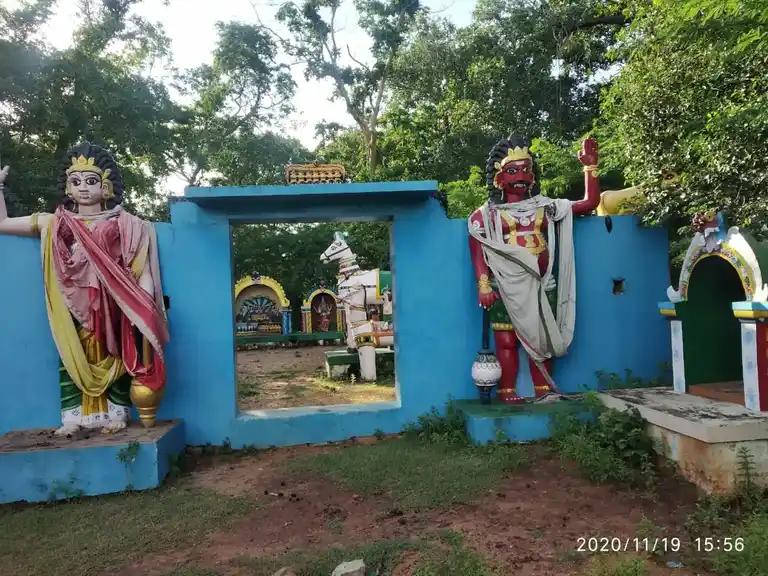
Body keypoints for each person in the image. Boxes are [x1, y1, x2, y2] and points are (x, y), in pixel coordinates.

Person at [0, 142, 169, 434]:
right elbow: (2, 223)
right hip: (71, 303)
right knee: (71, 353)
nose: (83, 188)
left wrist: (145, 304)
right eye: (75, 182)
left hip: (113, 302)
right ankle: (72, 418)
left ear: (106, 187)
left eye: (91, 181)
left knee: (114, 352)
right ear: (67, 187)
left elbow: (139, 266)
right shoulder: (56, 223)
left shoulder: (125, 224)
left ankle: (118, 412)